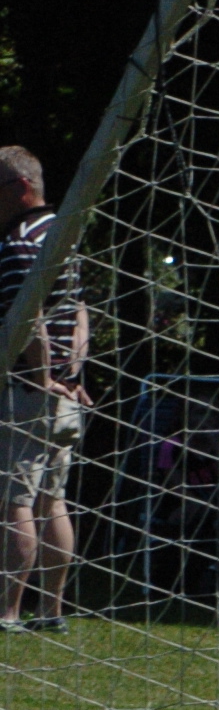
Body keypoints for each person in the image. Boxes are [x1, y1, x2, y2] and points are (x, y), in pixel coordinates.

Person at [0, 147, 87, 632]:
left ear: (20, 188)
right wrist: (71, 377)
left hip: (27, 390)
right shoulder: (61, 234)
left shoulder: (19, 242)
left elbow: (29, 318)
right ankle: (51, 611)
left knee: (14, 499)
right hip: (63, 394)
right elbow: (80, 312)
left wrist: (41, 377)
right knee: (53, 500)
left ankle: (8, 611)